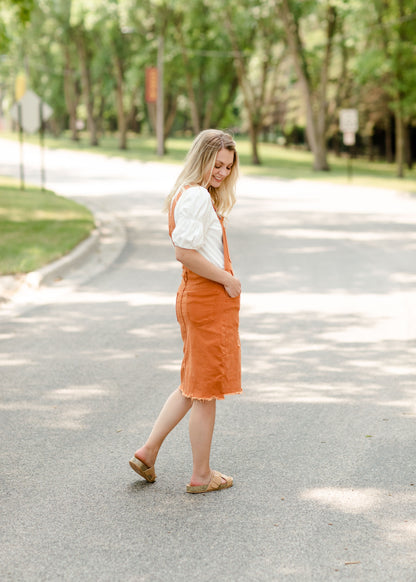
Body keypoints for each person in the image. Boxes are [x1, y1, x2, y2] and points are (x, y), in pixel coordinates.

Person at [129, 129, 242, 494]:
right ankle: (201, 474)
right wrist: (228, 280)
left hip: (197, 297)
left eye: (228, 166)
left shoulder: (191, 194)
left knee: (192, 387)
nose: (222, 172)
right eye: (217, 164)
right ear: (201, 158)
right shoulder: (195, 196)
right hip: (206, 298)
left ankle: (147, 452)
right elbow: (185, 253)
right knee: (206, 393)